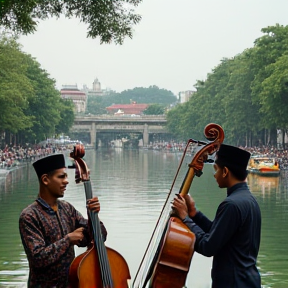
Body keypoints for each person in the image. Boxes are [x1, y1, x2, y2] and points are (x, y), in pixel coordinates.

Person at [172, 144, 261, 288]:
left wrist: (184, 218)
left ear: (225, 171)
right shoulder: (250, 200)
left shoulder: (231, 204)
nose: (215, 175)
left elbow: (208, 246)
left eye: (216, 169)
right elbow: (219, 233)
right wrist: (194, 213)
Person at [19, 154, 107, 288]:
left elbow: (98, 237)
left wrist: (93, 216)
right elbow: (38, 258)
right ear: (45, 180)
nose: (66, 181)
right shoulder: (30, 216)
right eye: (61, 177)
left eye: (66, 176)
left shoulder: (67, 209)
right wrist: (68, 240)